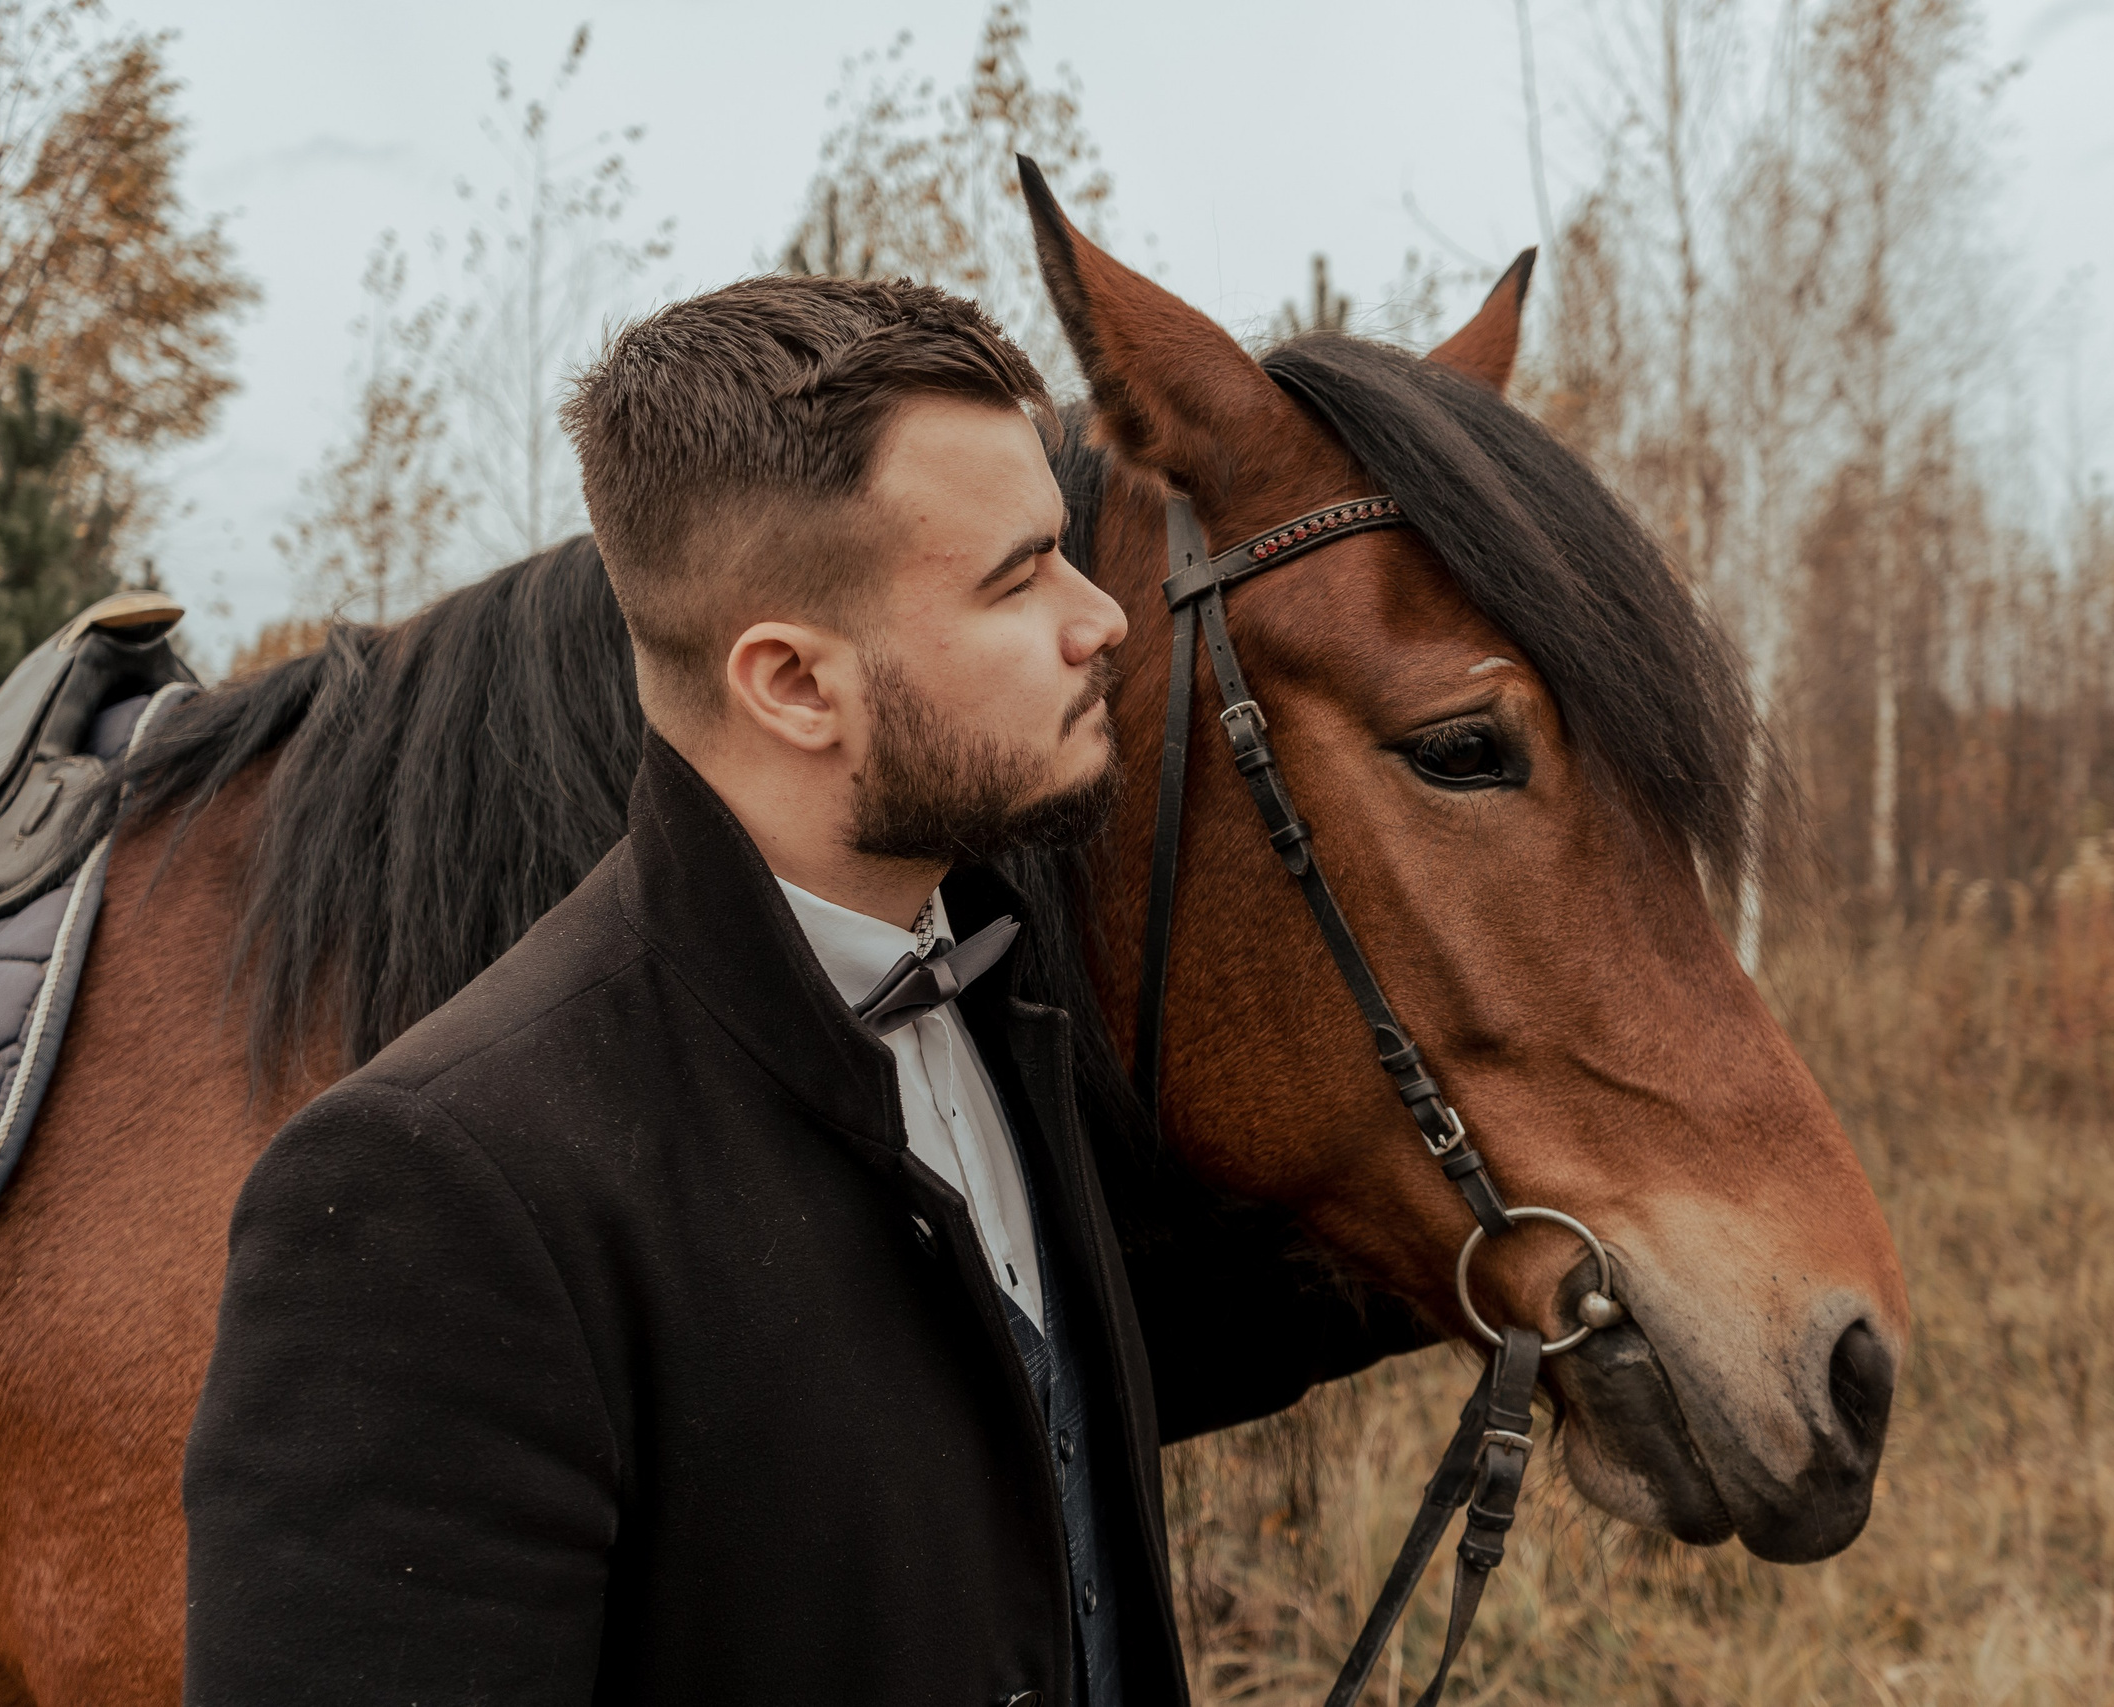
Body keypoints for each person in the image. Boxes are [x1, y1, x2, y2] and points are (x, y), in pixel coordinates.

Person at [180, 275, 1411, 1706]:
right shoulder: (429, 1194)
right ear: (794, 686)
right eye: (1018, 579)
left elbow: (1008, 1413)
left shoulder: (990, 1003)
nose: (1105, 622)